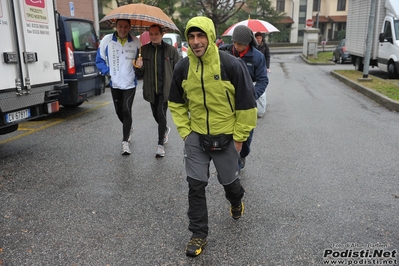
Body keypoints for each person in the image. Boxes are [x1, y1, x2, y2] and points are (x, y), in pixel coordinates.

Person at [168, 16, 257, 257]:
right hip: (196, 136)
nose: (196, 42)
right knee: (195, 186)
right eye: (191, 37)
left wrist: (239, 138)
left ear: (209, 37)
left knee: (229, 184)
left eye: (201, 36)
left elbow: (247, 105)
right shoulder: (183, 67)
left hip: (227, 135)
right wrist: (186, 133)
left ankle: (236, 201)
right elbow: (175, 103)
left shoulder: (230, 65)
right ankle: (198, 234)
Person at [219, 25, 269, 170]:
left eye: (240, 44)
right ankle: (231, 161)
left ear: (248, 43)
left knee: (245, 137)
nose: (236, 46)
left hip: (247, 103)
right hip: (227, 102)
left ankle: (242, 155)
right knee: (227, 134)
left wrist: (251, 96)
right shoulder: (224, 52)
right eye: (234, 42)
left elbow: (263, 80)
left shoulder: (257, 57)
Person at [134, 24, 180, 157]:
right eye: (151, 34)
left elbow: (178, 70)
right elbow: (140, 72)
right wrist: (139, 66)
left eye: (156, 34)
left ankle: (160, 145)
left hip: (165, 89)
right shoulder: (143, 50)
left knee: (161, 114)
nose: (154, 36)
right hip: (151, 89)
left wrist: (178, 88)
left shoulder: (171, 51)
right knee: (156, 115)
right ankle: (164, 129)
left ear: (162, 34)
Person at [96, 19, 140, 155]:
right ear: (116, 26)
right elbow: (99, 59)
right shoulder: (107, 40)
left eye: (126, 27)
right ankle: (128, 126)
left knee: (126, 110)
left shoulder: (136, 41)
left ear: (130, 27)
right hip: (114, 83)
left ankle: (125, 142)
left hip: (129, 83)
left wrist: (140, 65)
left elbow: (140, 61)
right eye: (120, 26)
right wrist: (107, 72)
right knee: (119, 111)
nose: (123, 29)